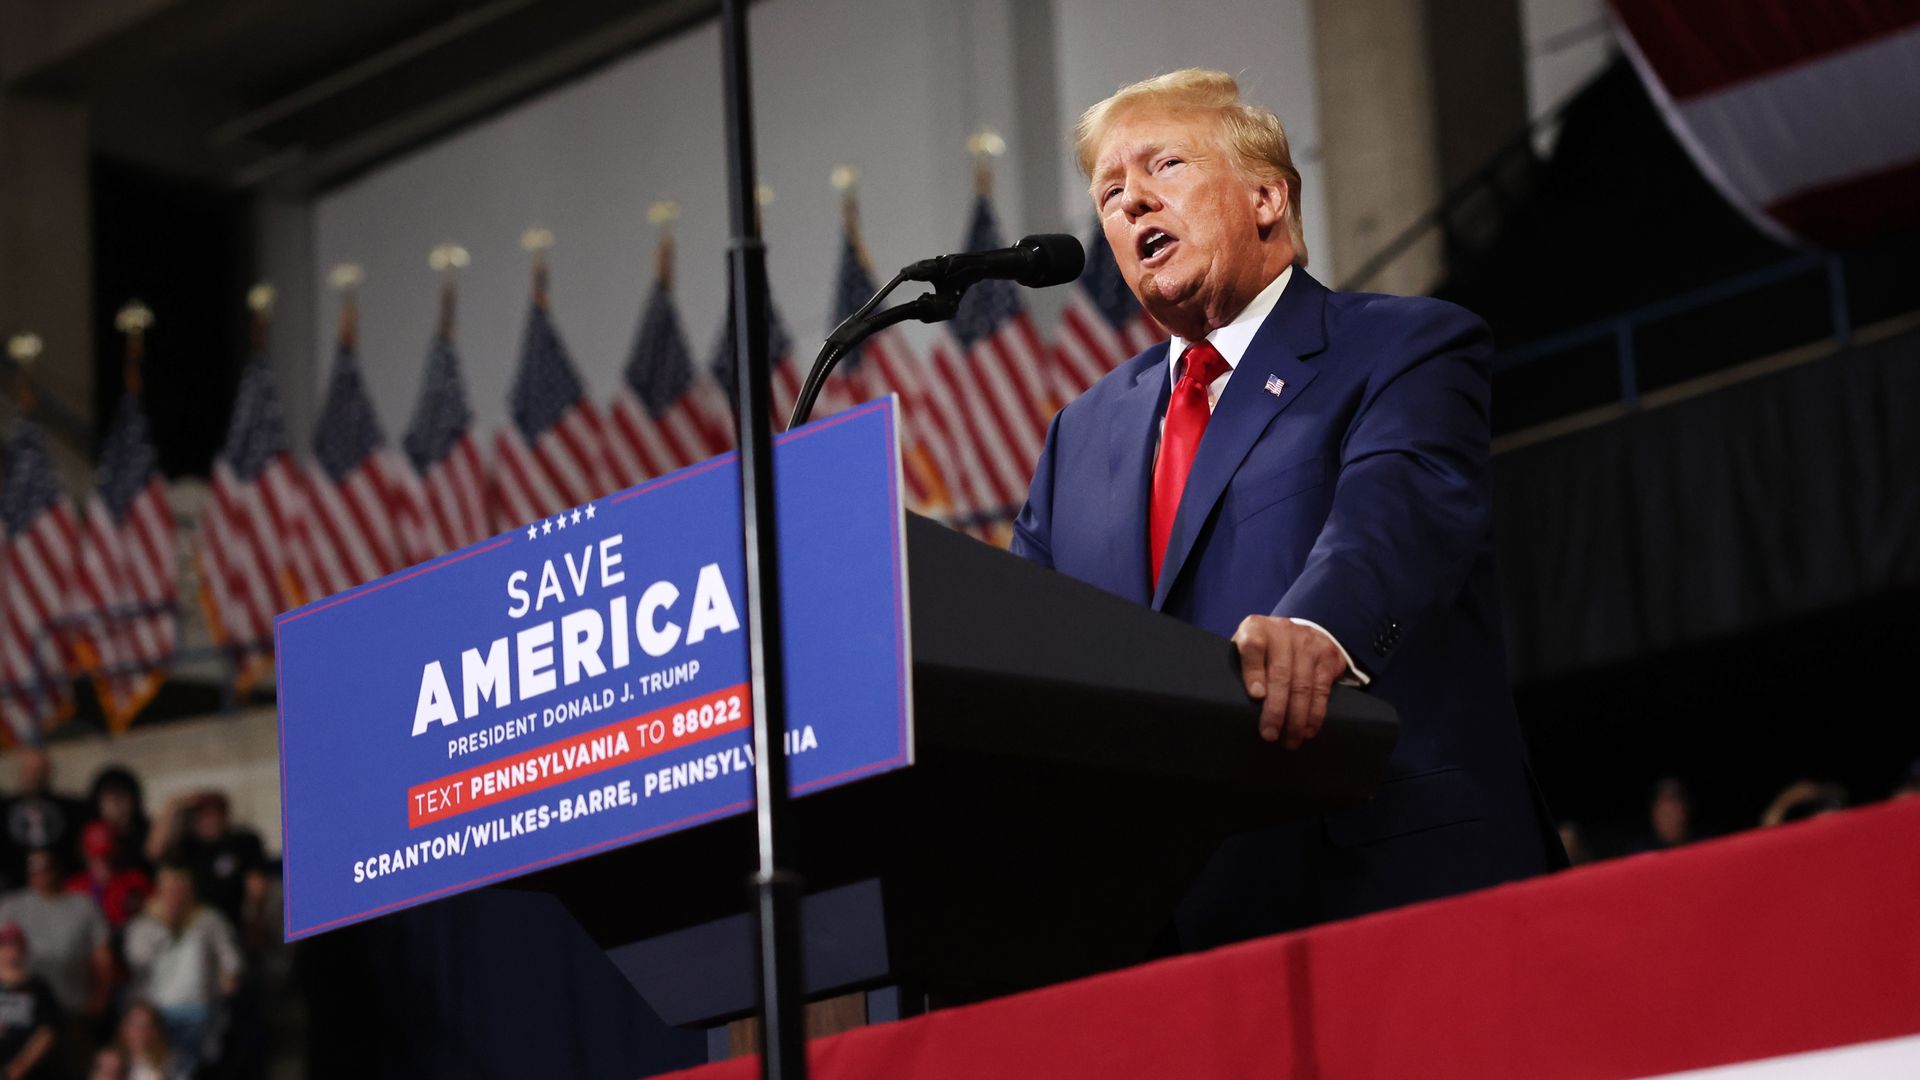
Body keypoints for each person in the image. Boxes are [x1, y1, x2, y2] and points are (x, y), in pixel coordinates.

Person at [1013, 69, 1561, 945]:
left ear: (1267, 196)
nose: (1132, 203)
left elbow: (1398, 508)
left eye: (1165, 166)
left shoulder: (1402, 345)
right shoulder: (1079, 438)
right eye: (1111, 193)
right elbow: (1028, 636)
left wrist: (1321, 629)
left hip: (1380, 875)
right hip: (1167, 923)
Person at [122, 868, 241, 1078]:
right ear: (159, 892)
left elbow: (231, 959)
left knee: (189, 1069)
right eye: (169, 891)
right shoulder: (144, 923)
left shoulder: (208, 920)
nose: (174, 897)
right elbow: (136, 960)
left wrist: (229, 975)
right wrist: (165, 927)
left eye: (180, 890)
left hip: (197, 1011)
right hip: (155, 1013)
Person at [0, 849, 111, 1072]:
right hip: (24, 1013)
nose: (41, 876)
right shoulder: (11, 905)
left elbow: (103, 956)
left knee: (74, 1069)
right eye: (35, 872)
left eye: (47, 870)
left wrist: (101, 996)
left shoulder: (83, 905)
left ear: (58, 870)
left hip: (72, 1007)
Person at [145, 793, 266, 934]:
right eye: (202, 815)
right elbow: (153, 852)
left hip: (229, 921)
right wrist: (172, 806)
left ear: (224, 815)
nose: (208, 820)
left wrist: (255, 919)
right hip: (190, 923)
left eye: (213, 814)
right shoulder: (188, 845)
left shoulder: (242, 842)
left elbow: (256, 885)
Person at [2, 750, 86, 886]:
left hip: (60, 885)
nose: (34, 776)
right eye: (29, 770)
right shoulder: (4, 808)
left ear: (49, 773)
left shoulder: (71, 808)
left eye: (40, 771)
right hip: (13, 886)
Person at [68, 823, 153, 932]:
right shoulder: (74, 888)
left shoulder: (135, 881)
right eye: (97, 857)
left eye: (108, 854)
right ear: (86, 856)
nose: (104, 862)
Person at [0, 924, 60, 1080]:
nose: (10, 951)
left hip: (29, 1070)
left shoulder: (39, 987)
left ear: (24, 949)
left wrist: (19, 1067)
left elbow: (47, 1032)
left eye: (15, 945)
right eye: (4, 945)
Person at [85, 769, 152, 877]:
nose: (117, 805)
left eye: (122, 796)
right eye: (110, 799)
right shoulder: (90, 835)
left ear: (134, 800)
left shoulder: (148, 832)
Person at [110, 1002, 177, 1080]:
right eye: (133, 1024)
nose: (139, 1031)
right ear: (123, 1028)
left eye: (145, 1025)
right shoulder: (110, 1060)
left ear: (154, 1031)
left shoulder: (170, 1063)